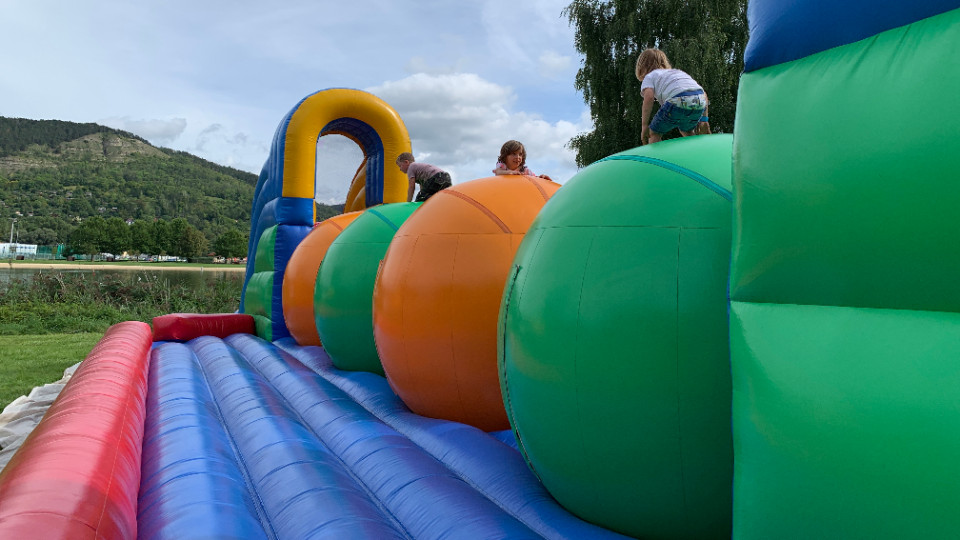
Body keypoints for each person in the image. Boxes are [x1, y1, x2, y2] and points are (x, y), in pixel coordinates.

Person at [634, 48, 710, 145]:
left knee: (654, 132)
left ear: (641, 67)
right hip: (699, 101)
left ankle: (655, 157)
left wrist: (644, 126)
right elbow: (703, 93)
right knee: (686, 131)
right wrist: (704, 120)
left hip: (677, 100)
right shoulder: (678, 72)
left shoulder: (650, 76)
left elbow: (649, 97)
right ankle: (697, 151)